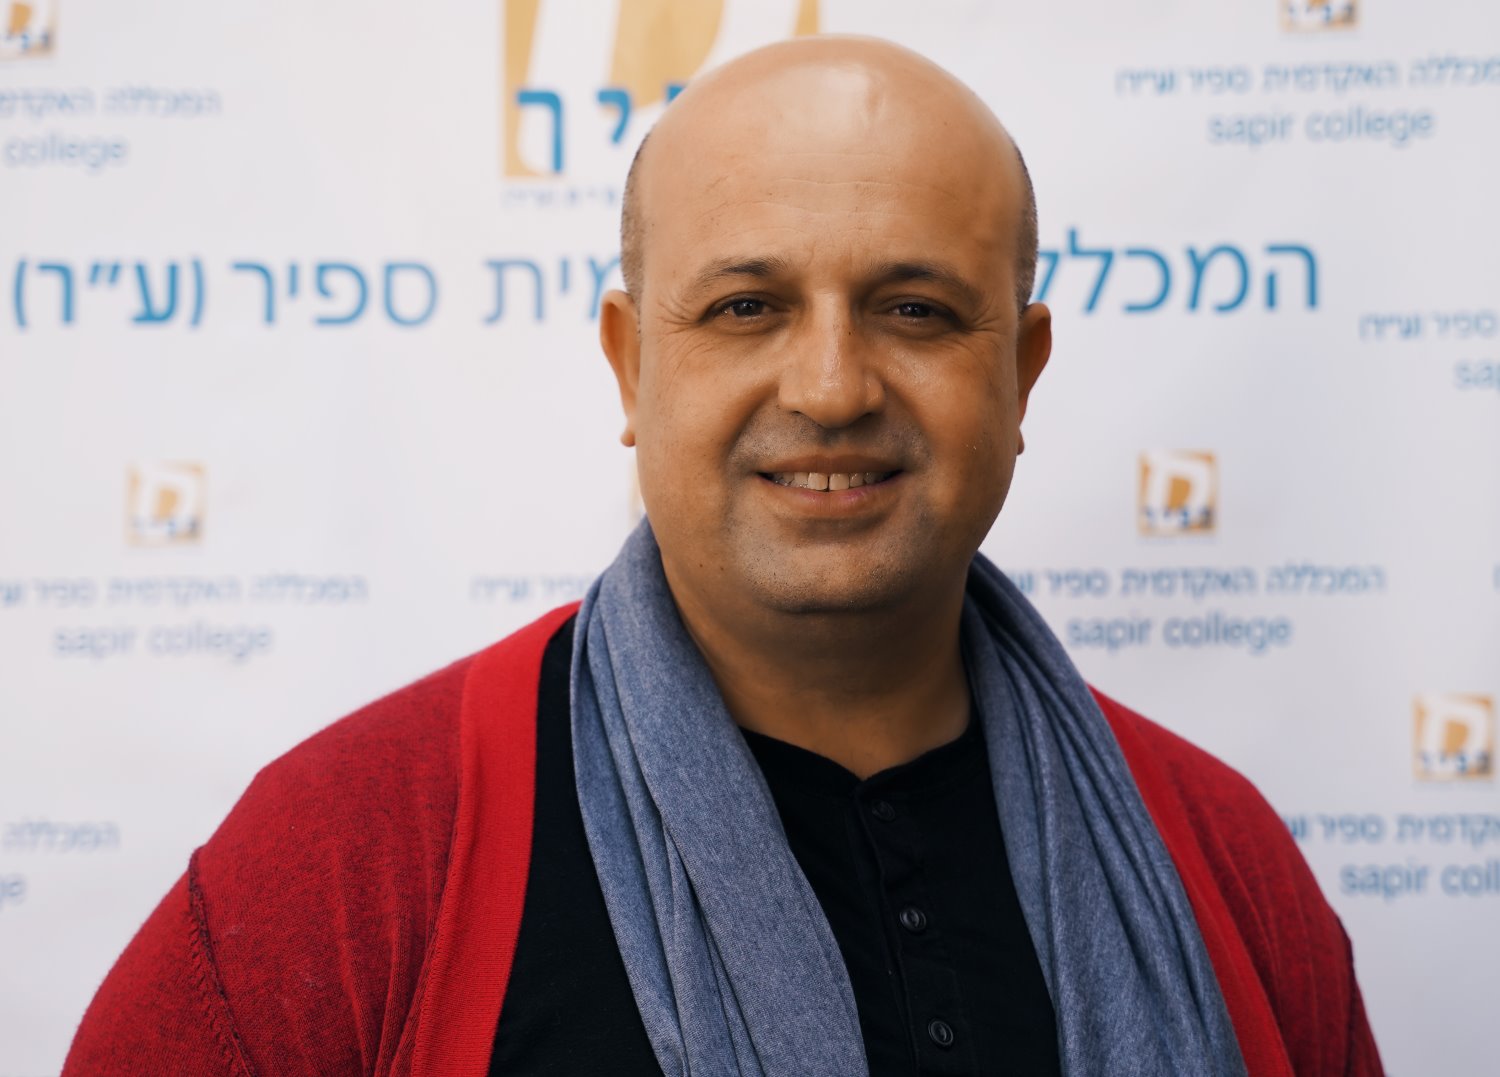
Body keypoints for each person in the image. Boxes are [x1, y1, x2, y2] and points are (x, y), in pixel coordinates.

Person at [64, 35, 1382, 1077]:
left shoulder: (1224, 862)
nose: (830, 387)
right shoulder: (350, 860)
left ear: (1022, 373)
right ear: (630, 364)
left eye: (915, 309)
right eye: (748, 307)